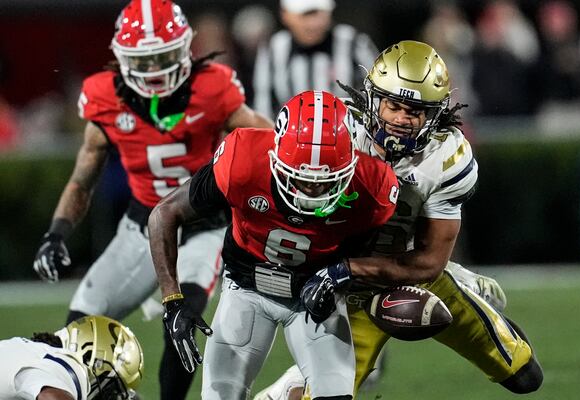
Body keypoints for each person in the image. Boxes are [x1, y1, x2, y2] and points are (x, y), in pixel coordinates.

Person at [255, 40, 543, 400]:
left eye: (415, 111)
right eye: (393, 105)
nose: (401, 119)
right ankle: (285, 389)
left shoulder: (444, 157)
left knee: (526, 378)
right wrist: (329, 271)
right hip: (349, 292)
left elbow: (428, 261)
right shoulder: (336, 132)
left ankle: (465, 289)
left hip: (410, 269)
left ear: (435, 114)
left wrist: (348, 268)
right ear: (374, 99)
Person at [31, 1, 273, 399]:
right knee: (77, 329)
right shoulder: (105, 98)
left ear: (184, 49)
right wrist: (56, 233)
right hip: (141, 224)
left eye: (163, 56)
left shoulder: (214, 87)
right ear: (122, 59)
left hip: (202, 225)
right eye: (143, 61)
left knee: (184, 317)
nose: (155, 70)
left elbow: (267, 145)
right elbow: (82, 180)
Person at [148, 90, 400, 399]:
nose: (313, 191)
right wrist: (173, 301)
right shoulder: (242, 159)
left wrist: (348, 281)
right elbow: (165, 213)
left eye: (326, 181)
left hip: (315, 297)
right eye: (302, 179)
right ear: (276, 156)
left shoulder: (373, 186)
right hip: (246, 289)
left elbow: (376, 260)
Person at [253, 0, 378, 119]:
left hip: (350, 136)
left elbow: (379, 95)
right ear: (285, 15)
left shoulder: (354, 43)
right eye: (305, 15)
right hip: (290, 137)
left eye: (319, 13)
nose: (313, 23)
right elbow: (264, 107)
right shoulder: (273, 49)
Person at [0, 315, 143, 400]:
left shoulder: (33, 352)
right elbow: (51, 396)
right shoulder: (67, 365)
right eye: (110, 392)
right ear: (92, 359)